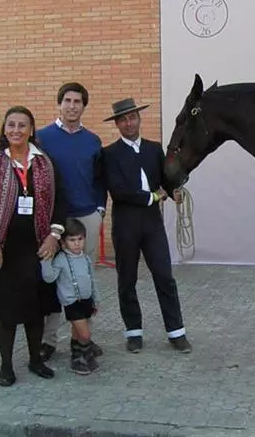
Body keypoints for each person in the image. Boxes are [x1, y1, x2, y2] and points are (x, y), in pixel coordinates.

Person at [0, 105, 67, 387]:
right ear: (4, 129)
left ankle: (36, 360)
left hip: (38, 247)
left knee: (36, 308)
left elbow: (61, 200)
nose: (16, 130)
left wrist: (54, 235)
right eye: (11, 125)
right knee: (7, 311)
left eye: (22, 125)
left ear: (31, 130)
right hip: (4, 248)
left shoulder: (46, 162)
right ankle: (6, 366)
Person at [101, 97, 191, 354]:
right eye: (123, 120)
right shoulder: (109, 154)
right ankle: (134, 332)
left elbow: (165, 180)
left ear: (139, 119)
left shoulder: (154, 149)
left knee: (164, 276)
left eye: (132, 118)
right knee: (127, 279)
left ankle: (176, 332)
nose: (129, 123)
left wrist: (174, 190)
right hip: (125, 224)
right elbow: (117, 190)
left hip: (152, 224)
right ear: (117, 124)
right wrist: (153, 196)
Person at [35, 82, 107, 362]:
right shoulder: (42, 138)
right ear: (59, 104)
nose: (72, 106)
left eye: (77, 101)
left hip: (87, 217)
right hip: (55, 220)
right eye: (67, 100)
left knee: (83, 279)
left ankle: (81, 339)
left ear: (84, 106)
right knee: (53, 280)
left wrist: (99, 209)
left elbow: (100, 179)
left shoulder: (93, 141)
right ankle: (48, 340)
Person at [41, 217, 103, 374]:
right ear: (63, 242)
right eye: (72, 240)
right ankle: (83, 354)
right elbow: (50, 278)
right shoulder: (61, 259)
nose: (77, 243)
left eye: (80, 239)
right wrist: (46, 260)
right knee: (85, 334)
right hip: (72, 303)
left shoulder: (85, 258)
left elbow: (91, 279)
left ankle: (77, 354)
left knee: (77, 332)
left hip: (87, 300)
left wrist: (96, 299)